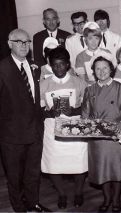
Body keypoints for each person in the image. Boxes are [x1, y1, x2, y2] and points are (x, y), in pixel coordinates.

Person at [0, 29, 50, 212]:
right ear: (9, 43)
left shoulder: (34, 66)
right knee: (14, 175)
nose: (23, 45)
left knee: (33, 173)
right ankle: (19, 208)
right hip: (11, 135)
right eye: (18, 41)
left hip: (35, 131)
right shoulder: (2, 68)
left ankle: (32, 202)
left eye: (26, 42)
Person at [81, 56, 121, 213]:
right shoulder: (89, 90)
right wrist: (93, 126)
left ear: (111, 69)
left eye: (105, 68)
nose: (101, 71)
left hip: (117, 135)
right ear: (93, 72)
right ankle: (106, 198)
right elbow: (85, 114)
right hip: (98, 138)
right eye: (97, 68)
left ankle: (117, 198)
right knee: (102, 170)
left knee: (117, 169)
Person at [40, 46, 88, 209]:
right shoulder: (44, 84)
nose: (58, 68)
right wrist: (50, 112)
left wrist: (74, 110)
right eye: (55, 65)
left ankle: (79, 191)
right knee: (53, 162)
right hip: (52, 125)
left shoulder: (79, 82)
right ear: (50, 64)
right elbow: (38, 108)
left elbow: (89, 106)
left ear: (68, 64)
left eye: (62, 64)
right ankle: (61, 193)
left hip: (74, 125)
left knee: (79, 160)